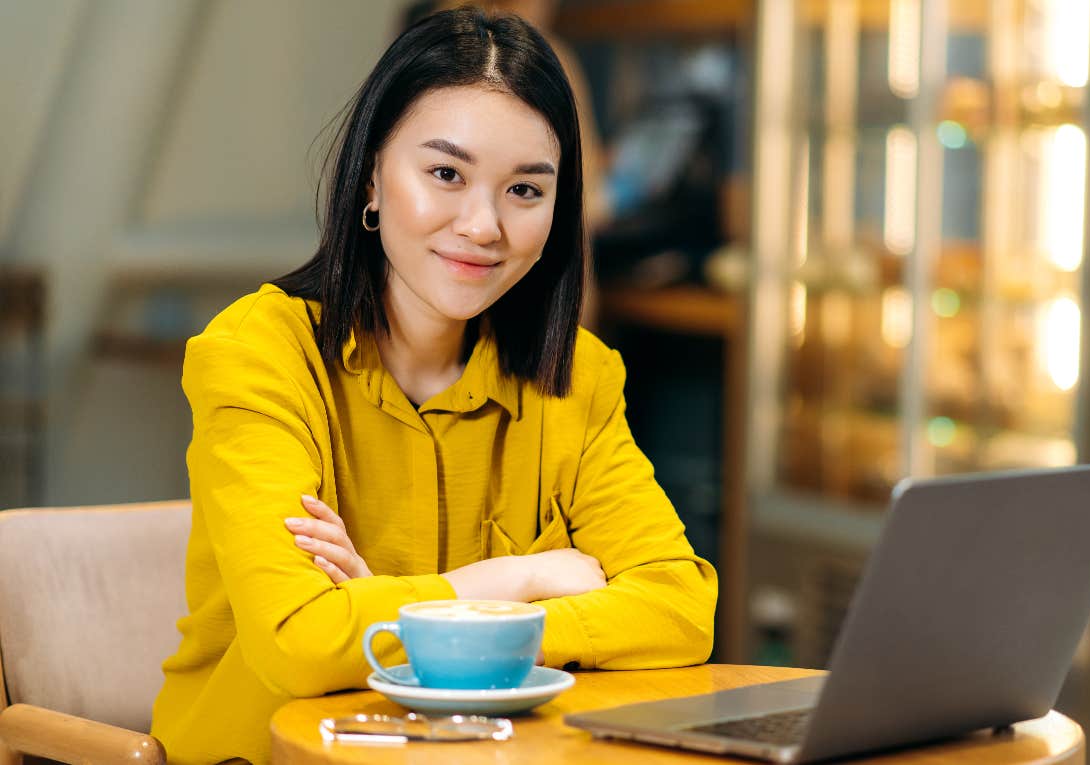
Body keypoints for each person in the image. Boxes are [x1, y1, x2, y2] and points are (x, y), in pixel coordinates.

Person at [149, 8, 718, 763]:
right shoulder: (258, 354)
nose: (483, 225)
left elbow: (681, 609)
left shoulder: (577, 379)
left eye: (525, 190)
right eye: (446, 174)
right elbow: (299, 641)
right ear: (374, 176)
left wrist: (399, 605)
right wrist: (519, 579)